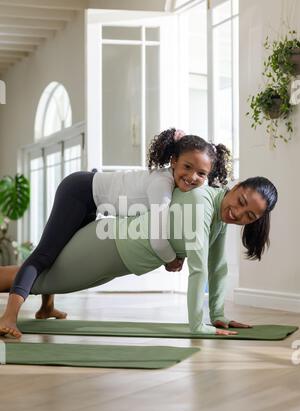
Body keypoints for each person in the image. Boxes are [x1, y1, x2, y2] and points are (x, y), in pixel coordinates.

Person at [0, 128, 230, 338]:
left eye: (201, 173)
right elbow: (158, 237)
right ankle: (9, 316)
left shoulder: (175, 187)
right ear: (173, 161)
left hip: (94, 202)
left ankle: (46, 307)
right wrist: (171, 261)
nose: (192, 177)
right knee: (44, 255)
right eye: (187, 167)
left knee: (58, 256)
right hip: (80, 191)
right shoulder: (162, 185)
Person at [0, 176, 277, 338]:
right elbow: (199, 268)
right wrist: (197, 326)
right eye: (241, 202)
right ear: (237, 186)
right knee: (38, 280)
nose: (238, 214)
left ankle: (43, 305)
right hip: (107, 246)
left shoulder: (218, 216)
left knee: (44, 279)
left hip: (117, 256)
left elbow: (217, 266)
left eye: (249, 216)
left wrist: (218, 316)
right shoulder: (200, 203)